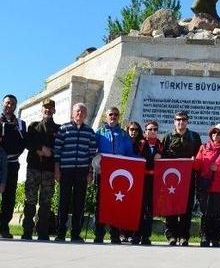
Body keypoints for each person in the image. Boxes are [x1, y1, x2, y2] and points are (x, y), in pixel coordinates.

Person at [0, 94, 27, 238]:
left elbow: (24, 143)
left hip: (12, 164)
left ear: (15, 106)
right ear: (2, 104)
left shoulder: (20, 124)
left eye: (12, 104)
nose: (9, 106)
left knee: (9, 197)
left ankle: (3, 228)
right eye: (7, 103)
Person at [53, 103, 98, 243]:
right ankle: (60, 233)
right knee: (63, 202)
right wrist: (56, 170)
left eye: (83, 112)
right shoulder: (63, 129)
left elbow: (92, 154)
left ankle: (75, 234)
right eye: (77, 111)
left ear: (85, 115)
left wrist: (90, 172)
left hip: (82, 171)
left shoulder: (90, 132)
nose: (80, 114)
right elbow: (57, 151)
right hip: (66, 170)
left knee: (79, 203)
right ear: (73, 113)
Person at [160, 110, 202, 246]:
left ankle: (184, 236)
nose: (181, 122)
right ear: (174, 122)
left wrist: (194, 160)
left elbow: (200, 156)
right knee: (170, 207)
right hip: (170, 179)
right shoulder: (167, 137)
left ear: (187, 121)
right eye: (178, 119)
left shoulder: (194, 137)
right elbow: (162, 156)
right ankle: (171, 236)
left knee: (186, 208)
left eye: (183, 119)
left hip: (188, 179)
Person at [93, 107, 134, 244]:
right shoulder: (99, 133)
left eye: (116, 114)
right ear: (106, 116)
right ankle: (99, 234)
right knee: (100, 204)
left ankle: (115, 234)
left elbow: (130, 154)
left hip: (119, 175)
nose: (114, 116)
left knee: (117, 204)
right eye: (111, 114)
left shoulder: (123, 134)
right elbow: (93, 152)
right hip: (103, 173)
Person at [21, 98, 59, 241]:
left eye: (50, 108)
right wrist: (40, 149)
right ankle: (27, 231)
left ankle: (42, 232)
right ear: (41, 110)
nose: (48, 110)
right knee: (30, 200)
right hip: (34, 168)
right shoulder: (33, 126)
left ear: (54, 110)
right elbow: (27, 142)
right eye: (45, 108)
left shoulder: (58, 129)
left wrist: (51, 152)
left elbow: (60, 147)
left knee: (45, 202)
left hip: (49, 170)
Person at [194, 125, 220, 247]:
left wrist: (219, 169)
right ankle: (205, 237)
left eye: (219, 134)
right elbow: (197, 165)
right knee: (204, 213)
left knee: (216, 214)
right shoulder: (204, 147)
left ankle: (215, 238)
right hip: (205, 186)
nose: (216, 136)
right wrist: (192, 161)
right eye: (214, 133)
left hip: (219, 186)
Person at [135, 120, 162, 245]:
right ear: (145, 131)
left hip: (154, 181)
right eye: (150, 129)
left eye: (155, 129)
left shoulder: (160, 145)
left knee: (149, 209)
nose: (152, 131)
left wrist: (161, 156)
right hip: (141, 180)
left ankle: (146, 236)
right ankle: (136, 235)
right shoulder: (140, 143)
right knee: (139, 208)